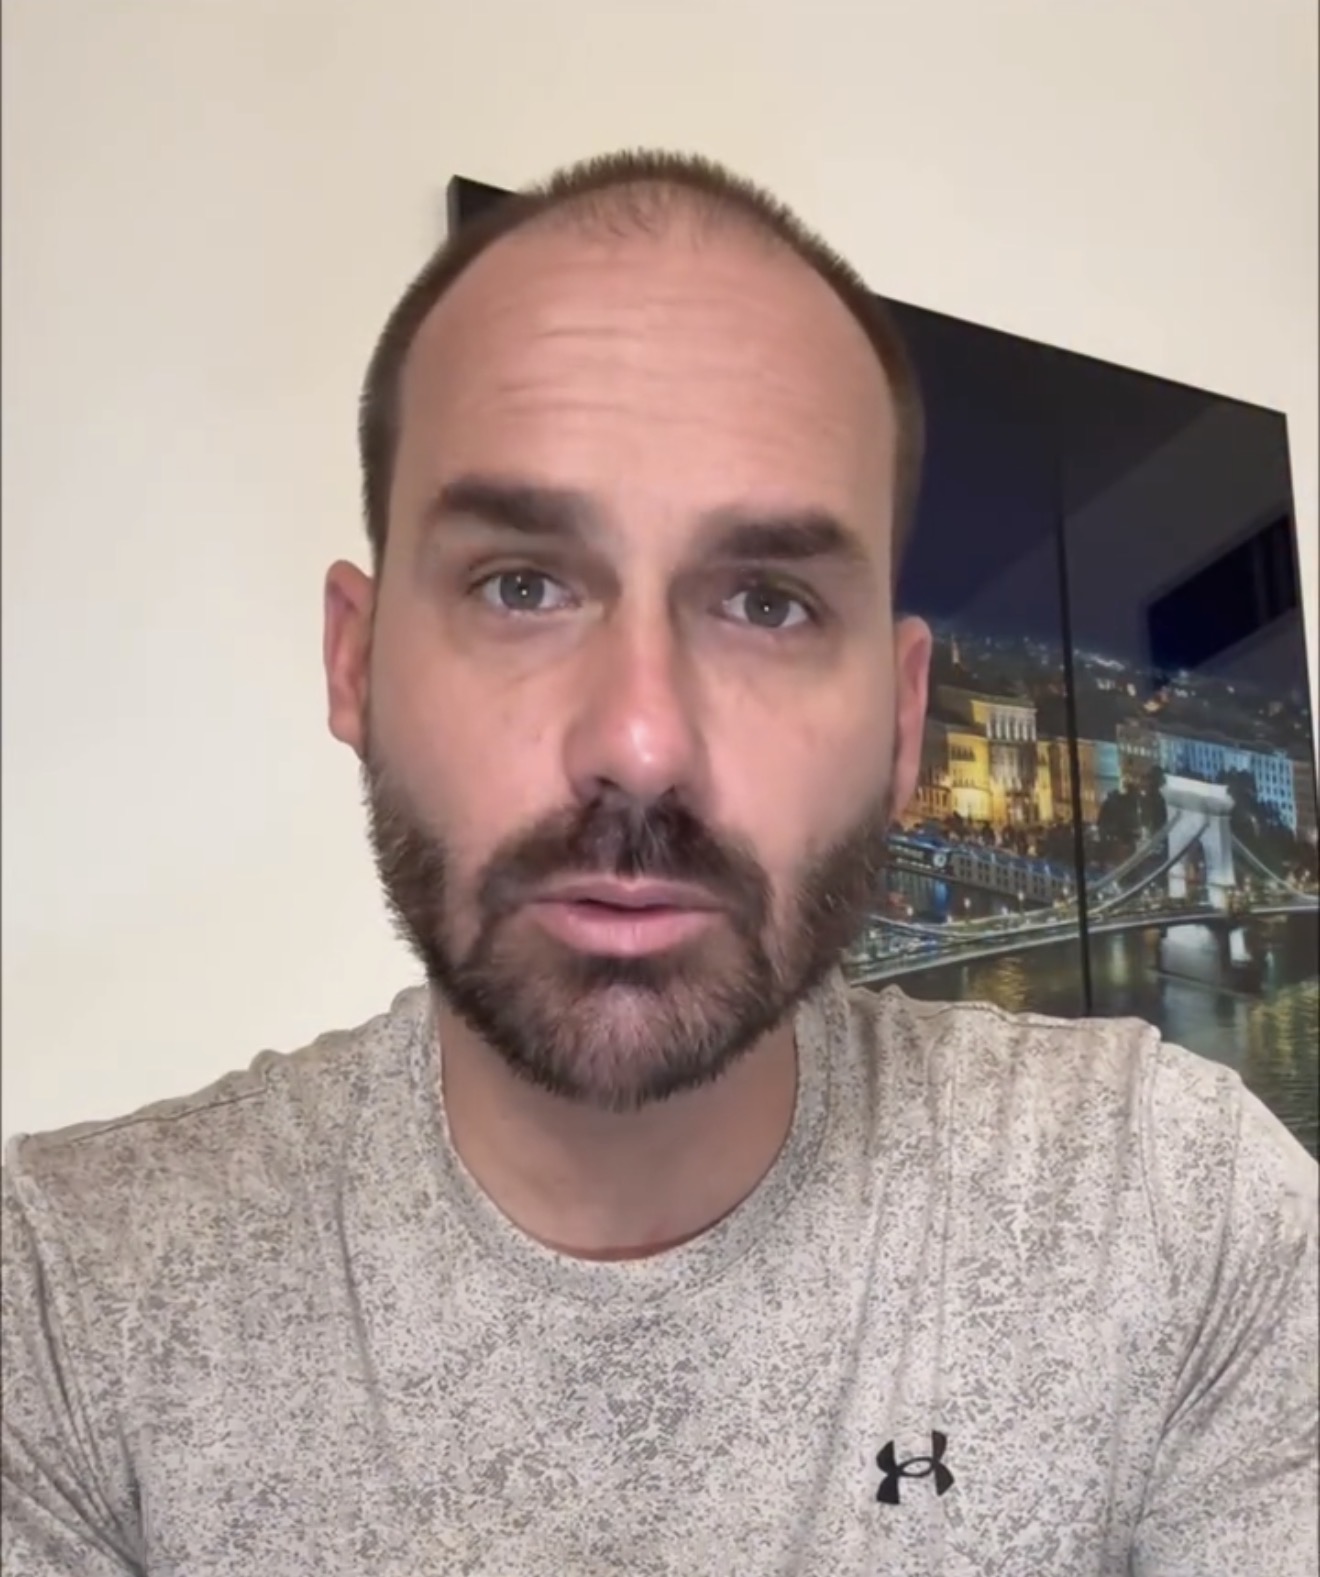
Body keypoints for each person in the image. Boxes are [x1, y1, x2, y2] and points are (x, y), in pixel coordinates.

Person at [2, 150, 1315, 1577]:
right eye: (521, 585)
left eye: (767, 601)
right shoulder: (67, 1309)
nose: (638, 742)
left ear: (900, 720)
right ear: (356, 664)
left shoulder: (1179, 1218)